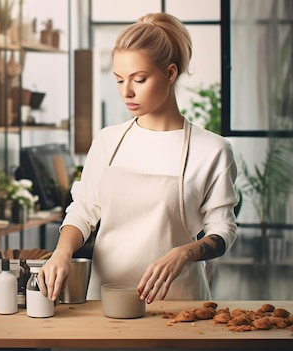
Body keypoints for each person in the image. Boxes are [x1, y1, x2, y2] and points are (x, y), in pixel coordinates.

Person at [38, 12, 239, 304]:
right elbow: (83, 210)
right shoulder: (109, 141)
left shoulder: (212, 150)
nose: (127, 92)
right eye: (120, 80)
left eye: (139, 79)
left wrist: (184, 252)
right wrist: (61, 252)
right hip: (106, 300)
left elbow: (223, 230)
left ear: (170, 74)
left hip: (178, 304)